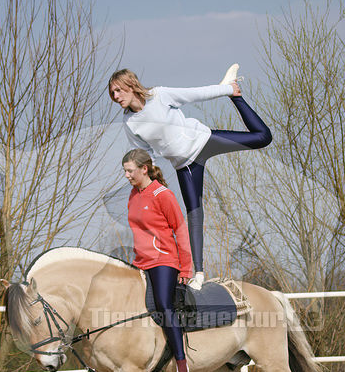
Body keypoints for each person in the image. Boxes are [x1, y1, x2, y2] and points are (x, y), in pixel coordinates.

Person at [109, 65, 272, 290]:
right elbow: (147, 157)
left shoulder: (160, 96)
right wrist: (152, 187)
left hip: (203, 141)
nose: (115, 97)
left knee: (263, 137)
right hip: (185, 166)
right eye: (112, 94)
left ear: (131, 85)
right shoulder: (130, 123)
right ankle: (199, 274)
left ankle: (236, 95)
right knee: (194, 216)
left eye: (118, 91)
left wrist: (225, 89)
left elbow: (196, 94)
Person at [122, 148, 193, 372]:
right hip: (140, 261)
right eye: (125, 171)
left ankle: (181, 361)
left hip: (164, 260)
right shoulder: (133, 195)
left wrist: (185, 268)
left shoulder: (163, 195)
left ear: (144, 169)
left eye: (130, 171)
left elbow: (180, 230)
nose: (127, 176)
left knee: (164, 305)